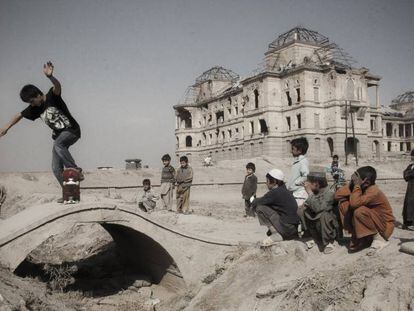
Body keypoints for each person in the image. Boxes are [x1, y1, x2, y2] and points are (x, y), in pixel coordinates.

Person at [0, 62, 82, 203]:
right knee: (55, 168)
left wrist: (51, 77)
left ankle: (75, 169)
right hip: (59, 137)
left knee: (58, 144)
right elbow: (19, 115)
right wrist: (6, 127)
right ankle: (70, 194)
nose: (32, 105)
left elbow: (58, 87)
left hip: (72, 130)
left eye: (32, 101)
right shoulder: (34, 108)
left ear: (38, 95)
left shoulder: (52, 96)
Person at [335, 166, 395, 255]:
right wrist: (352, 184)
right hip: (374, 221)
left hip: (385, 226)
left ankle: (379, 239)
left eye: (356, 179)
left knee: (359, 210)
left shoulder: (373, 191)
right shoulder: (361, 187)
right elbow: (337, 196)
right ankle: (365, 237)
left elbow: (354, 203)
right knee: (344, 204)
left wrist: (356, 185)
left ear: (366, 181)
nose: (354, 180)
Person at [252, 169, 300, 246]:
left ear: (274, 182)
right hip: (293, 228)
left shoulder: (275, 192)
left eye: (267, 181)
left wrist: (253, 201)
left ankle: (276, 234)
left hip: (286, 228)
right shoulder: (284, 190)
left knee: (260, 208)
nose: (266, 183)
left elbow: (258, 202)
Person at [303, 171, 339, 254]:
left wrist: (309, 193)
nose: (307, 185)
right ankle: (312, 237)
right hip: (317, 223)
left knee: (324, 214)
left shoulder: (330, 193)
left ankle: (328, 242)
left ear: (316, 184)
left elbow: (319, 208)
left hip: (329, 226)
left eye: (309, 183)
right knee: (302, 210)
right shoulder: (316, 191)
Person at [286, 137, 309, 234]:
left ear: (299, 150)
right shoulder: (297, 161)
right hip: (294, 192)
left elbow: (306, 175)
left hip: (299, 192)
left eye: (293, 149)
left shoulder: (302, 161)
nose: (291, 151)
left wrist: (296, 183)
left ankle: (305, 233)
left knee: (299, 214)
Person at [403, 149, 414, 230]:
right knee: (408, 204)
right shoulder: (410, 166)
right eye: (412, 156)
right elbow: (405, 174)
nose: (412, 158)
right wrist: (410, 173)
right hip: (410, 189)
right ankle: (407, 222)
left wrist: (410, 173)